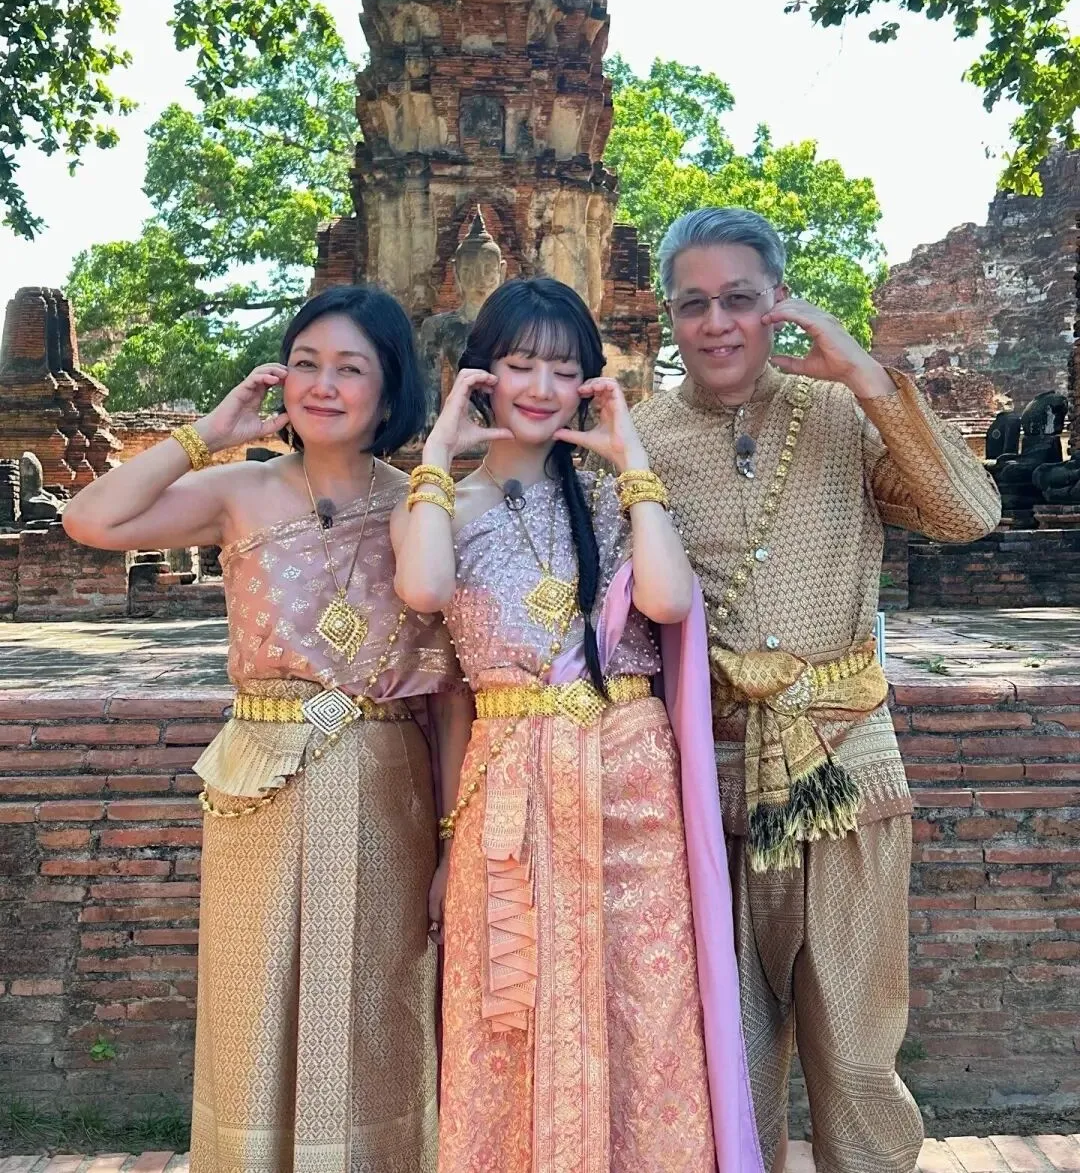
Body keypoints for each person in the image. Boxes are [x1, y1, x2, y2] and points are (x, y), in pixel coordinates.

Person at [631, 207, 1002, 1173]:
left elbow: (970, 514)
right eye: (693, 304)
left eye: (740, 298)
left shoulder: (840, 413)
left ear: (780, 304)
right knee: (727, 1056)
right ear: (669, 316)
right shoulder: (643, 439)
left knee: (858, 1053)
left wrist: (866, 376)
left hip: (847, 767)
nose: (717, 322)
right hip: (713, 780)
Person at [63, 285, 465, 1173]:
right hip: (259, 784)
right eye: (307, 363)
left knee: (373, 1005)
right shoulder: (238, 490)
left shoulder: (421, 504)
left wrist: (450, 842)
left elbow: (448, 696)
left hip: (385, 785)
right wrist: (207, 431)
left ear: (389, 387)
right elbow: (88, 518)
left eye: (350, 367)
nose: (324, 384)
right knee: (255, 1004)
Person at [392, 276, 762, 1173]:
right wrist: (440, 447)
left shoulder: (611, 498)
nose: (541, 387)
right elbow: (425, 590)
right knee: (512, 1014)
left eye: (564, 370)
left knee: (646, 1008)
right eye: (521, 364)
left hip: (631, 786)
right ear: (481, 374)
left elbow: (668, 600)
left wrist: (631, 459)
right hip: (511, 787)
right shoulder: (440, 505)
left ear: (591, 384)